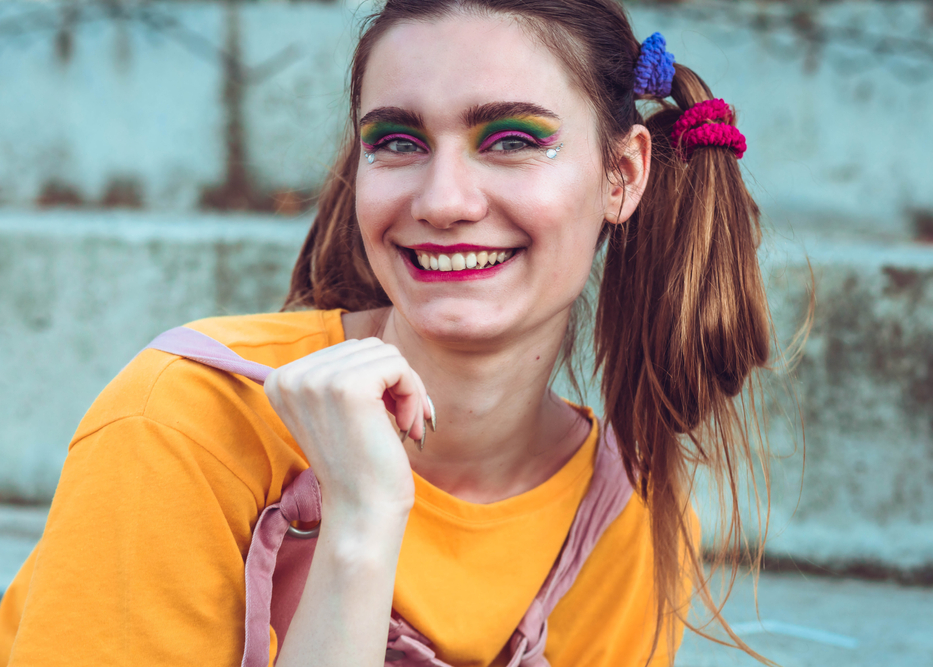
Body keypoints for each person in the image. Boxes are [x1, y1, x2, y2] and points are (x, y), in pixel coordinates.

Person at [0, 1, 777, 665]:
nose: (443, 200)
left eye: (512, 138)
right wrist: (360, 527)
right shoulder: (182, 423)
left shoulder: (627, 518)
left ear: (623, 176)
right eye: (398, 141)